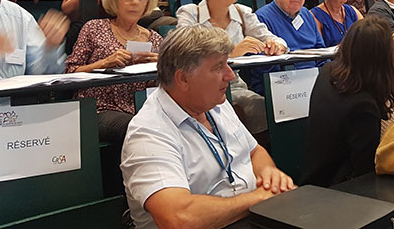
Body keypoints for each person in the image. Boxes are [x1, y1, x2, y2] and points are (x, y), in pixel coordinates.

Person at [121, 25, 295, 229]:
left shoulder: (214, 103)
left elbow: (254, 151)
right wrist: (257, 199)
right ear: (183, 78)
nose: (230, 75)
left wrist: (269, 175)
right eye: (218, 67)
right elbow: (178, 218)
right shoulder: (148, 134)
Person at [176, 0, 288, 134]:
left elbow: (274, 39)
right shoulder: (190, 13)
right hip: (200, 87)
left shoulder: (242, 12)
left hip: (235, 86)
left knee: (272, 109)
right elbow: (183, 54)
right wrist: (230, 53)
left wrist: (276, 45)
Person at [301, 17, 394, 187]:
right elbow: (366, 169)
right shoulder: (363, 106)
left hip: (314, 177)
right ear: (383, 57)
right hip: (340, 191)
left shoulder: (327, 72)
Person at [66, 0, 161, 141]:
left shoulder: (154, 38)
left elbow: (157, 87)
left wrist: (157, 69)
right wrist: (104, 63)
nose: (135, 2)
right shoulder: (94, 27)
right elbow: (70, 72)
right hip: (96, 108)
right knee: (137, 128)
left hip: (141, 109)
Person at [253, 0, 325, 94]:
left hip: (313, 81)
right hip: (282, 83)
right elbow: (260, 66)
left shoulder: (306, 14)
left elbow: (321, 52)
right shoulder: (261, 18)